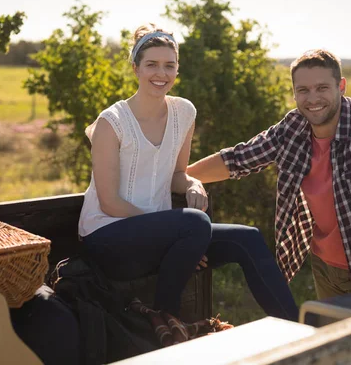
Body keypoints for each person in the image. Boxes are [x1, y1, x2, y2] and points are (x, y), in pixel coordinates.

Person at [187, 49, 351, 300]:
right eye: (303, 90)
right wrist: (180, 177)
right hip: (323, 264)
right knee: (334, 342)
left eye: (322, 88)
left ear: (341, 86)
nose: (313, 98)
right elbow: (238, 159)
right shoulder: (292, 127)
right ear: (294, 93)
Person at [78, 24, 298, 321]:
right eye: (152, 65)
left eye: (169, 65)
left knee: (248, 239)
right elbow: (109, 203)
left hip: (168, 234)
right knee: (195, 223)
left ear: (178, 69)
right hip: (108, 239)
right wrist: (175, 238)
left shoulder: (184, 113)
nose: (161, 74)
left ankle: (301, 330)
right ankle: (165, 324)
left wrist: (192, 183)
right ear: (135, 68)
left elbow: (178, 174)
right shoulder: (112, 122)